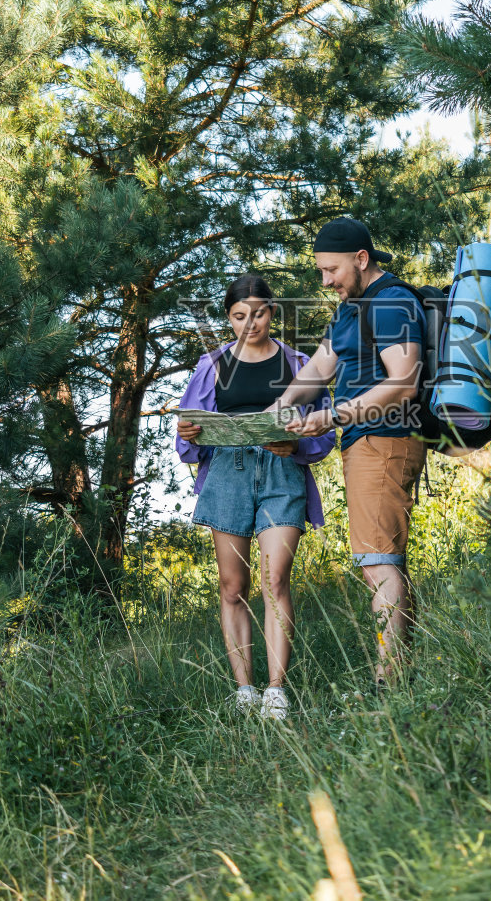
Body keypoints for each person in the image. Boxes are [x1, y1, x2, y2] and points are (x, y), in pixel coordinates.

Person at [175, 274, 334, 720]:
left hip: (282, 474)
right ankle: (244, 689)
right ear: (229, 318)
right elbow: (187, 442)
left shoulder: (298, 363)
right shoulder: (212, 366)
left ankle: (275, 691)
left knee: (275, 579)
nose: (250, 324)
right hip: (228, 473)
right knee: (232, 586)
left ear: (272, 312)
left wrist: (295, 445)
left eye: (259, 314)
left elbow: (324, 432)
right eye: (239, 316)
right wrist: (189, 432)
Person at [276, 217, 426, 683]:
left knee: (377, 564)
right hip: (365, 442)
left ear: (361, 259)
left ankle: (389, 683)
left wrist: (332, 416)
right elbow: (319, 369)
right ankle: (405, 673)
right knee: (383, 560)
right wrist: (277, 409)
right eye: (320, 271)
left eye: (332, 270)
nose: (326, 281)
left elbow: (404, 383)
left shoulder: (392, 302)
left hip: (386, 439)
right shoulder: (348, 311)